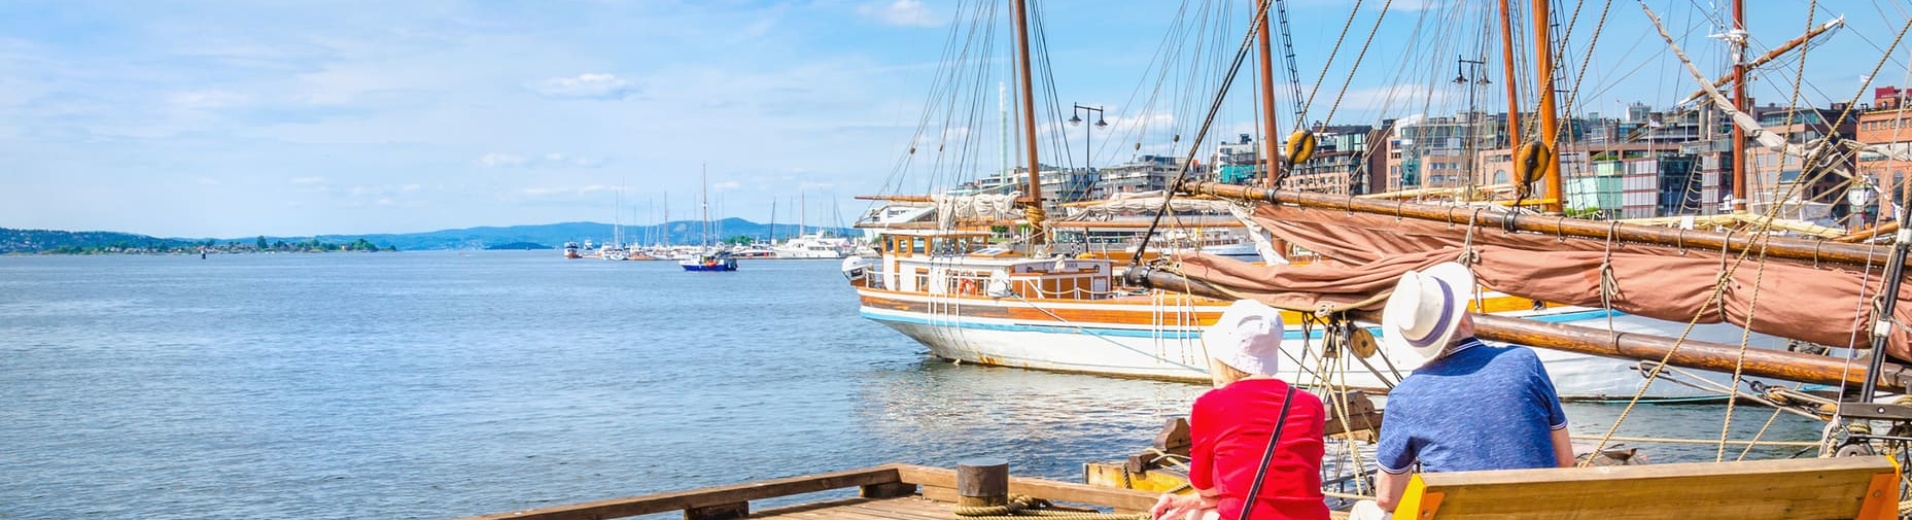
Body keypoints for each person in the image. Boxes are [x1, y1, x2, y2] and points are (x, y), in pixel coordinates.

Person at [1362, 262, 1575, 517]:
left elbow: (1387, 498)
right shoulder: (1524, 362)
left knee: (1368, 512)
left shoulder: (1405, 397)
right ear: (1463, 319)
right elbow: (1565, 460)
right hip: (1541, 514)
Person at [1151, 299, 1331, 520]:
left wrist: (1193, 500)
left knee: (1198, 514)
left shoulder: (1210, 405)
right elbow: (1285, 487)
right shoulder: (1311, 404)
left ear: (1221, 355)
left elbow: (1204, 485)